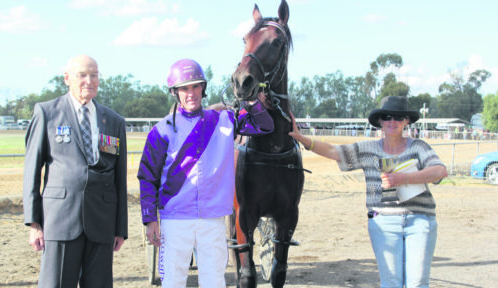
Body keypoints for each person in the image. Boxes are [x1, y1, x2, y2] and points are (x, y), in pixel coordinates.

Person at [137, 58, 273, 288]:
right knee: (173, 282)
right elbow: (147, 177)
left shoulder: (225, 119)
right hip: (174, 219)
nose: (191, 93)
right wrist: (150, 219)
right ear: (175, 92)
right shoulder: (160, 131)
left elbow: (265, 125)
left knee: (214, 282)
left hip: (213, 220)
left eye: (195, 86)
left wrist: (250, 99)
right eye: (184, 88)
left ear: (203, 88)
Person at [289, 96, 448, 288]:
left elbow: (440, 171)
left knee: (418, 282)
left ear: (406, 121)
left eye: (398, 117)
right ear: (380, 121)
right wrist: (303, 139)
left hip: (420, 221)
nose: (392, 121)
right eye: (387, 116)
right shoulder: (368, 149)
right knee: (391, 283)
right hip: (383, 221)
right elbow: (334, 151)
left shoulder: (419, 147)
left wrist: (404, 179)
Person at [23, 54, 128, 288]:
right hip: (60, 220)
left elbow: (119, 178)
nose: (88, 81)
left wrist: (120, 228)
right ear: (67, 78)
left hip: (102, 221)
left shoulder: (114, 121)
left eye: (94, 75)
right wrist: (34, 223)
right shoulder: (47, 113)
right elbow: (32, 170)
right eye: (82, 75)